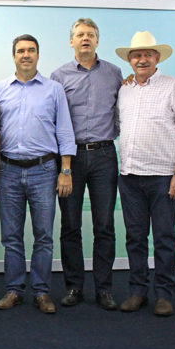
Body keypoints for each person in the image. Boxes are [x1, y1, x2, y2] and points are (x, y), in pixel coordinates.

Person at [115, 31, 175, 317]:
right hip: (129, 176)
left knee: (164, 238)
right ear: (129, 60)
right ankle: (138, 291)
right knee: (135, 238)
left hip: (164, 176)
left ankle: (164, 294)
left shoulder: (173, 87)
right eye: (136, 55)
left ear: (157, 58)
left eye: (148, 54)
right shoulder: (123, 90)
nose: (142, 59)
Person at [0, 34, 76, 315]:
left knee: (43, 236)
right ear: (13, 56)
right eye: (20, 51)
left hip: (44, 171)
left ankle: (41, 292)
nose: (25, 55)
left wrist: (65, 170)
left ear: (38, 55)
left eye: (31, 50)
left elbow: (64, 131)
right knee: (11, 236)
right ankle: (14, 290)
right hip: (8, 171)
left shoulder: (54, 89)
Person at [50, 18, 123, 310]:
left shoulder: (116, 74)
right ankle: (74, 287)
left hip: (105, 155)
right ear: (71, 41)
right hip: (71, 158)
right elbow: (54, 119)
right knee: (70, 225)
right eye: (80, 35)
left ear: (97, 41)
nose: (85, 39)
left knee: (104, 225)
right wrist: (64, 166)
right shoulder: (59, 76)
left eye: (90, 34)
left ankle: (104, 289)